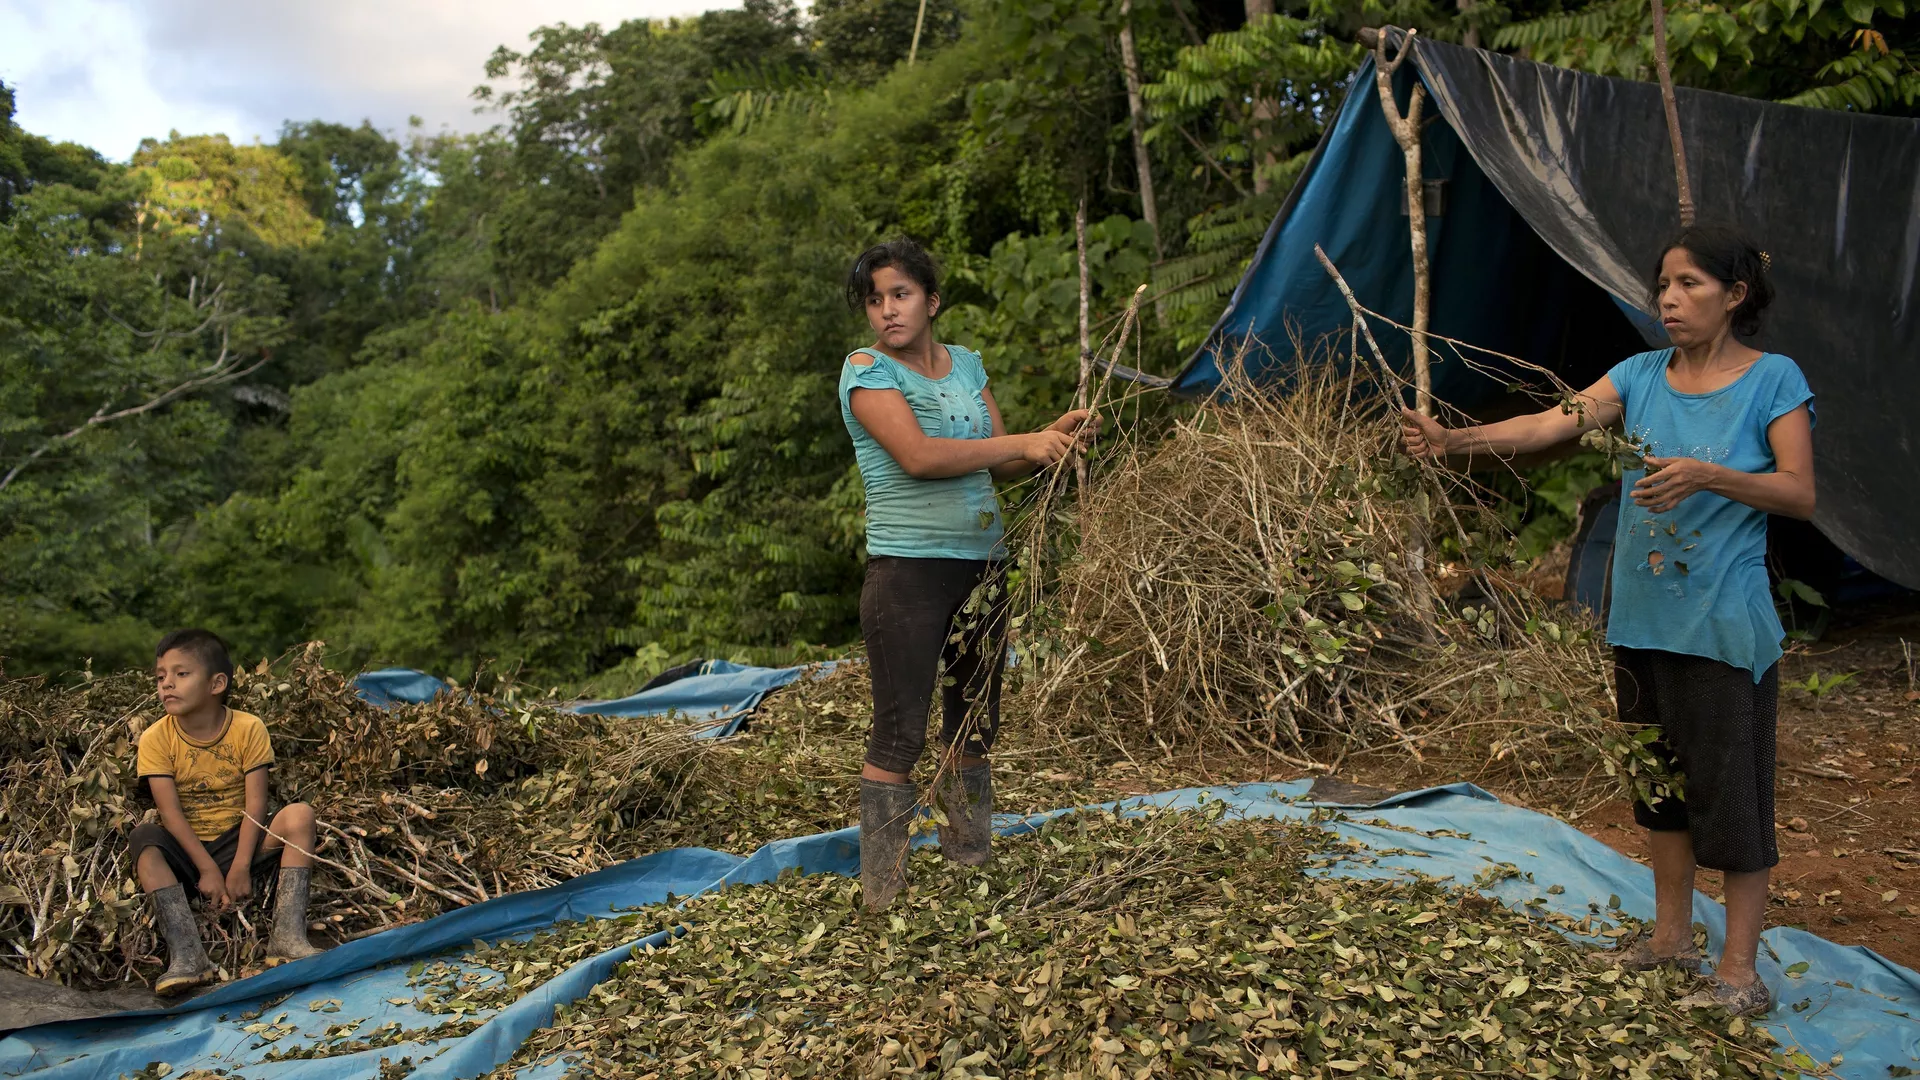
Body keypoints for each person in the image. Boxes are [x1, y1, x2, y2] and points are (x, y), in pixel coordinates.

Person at [1401, 225, 1813, 1017]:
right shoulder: (1639, 374)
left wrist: (1708, 475)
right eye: (1662, 284)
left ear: (1735, 296)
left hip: (1723, 626)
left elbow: (1800, 493)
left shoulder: (1774, 382)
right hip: (1641, 621)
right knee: (1659, 791)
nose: (1668, 298)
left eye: (1689, 284)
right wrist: (1456, 439)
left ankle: (1738, 974)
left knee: (1732, 802)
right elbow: (1550, 424)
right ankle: (1669, 940)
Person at [839, 238, 1093, 910]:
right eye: (875, 299)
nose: (887, 310)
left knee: (975, 720)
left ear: (932, 300)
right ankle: (882, 894)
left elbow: (998, 463)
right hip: (908, 572)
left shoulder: (966, 366)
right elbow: (920, 457)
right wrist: (1021, 442)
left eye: (901, 294)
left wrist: (1048, 441)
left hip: (982, 566)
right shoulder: (867, 372)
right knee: (902, 728)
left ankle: (968, 864)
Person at [130, 628, 322, 994]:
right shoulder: (156, 738)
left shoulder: (248, 728)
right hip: (189, 849)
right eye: (160, 676)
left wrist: (240, 867)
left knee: (300, 815)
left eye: (181, 674)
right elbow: (169, 813)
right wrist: (205, 869)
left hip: (241, 837)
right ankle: (188, 956)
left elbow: (256, 804)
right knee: (145, 838)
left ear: (217, 683)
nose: (166, 684)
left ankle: (286, 939)